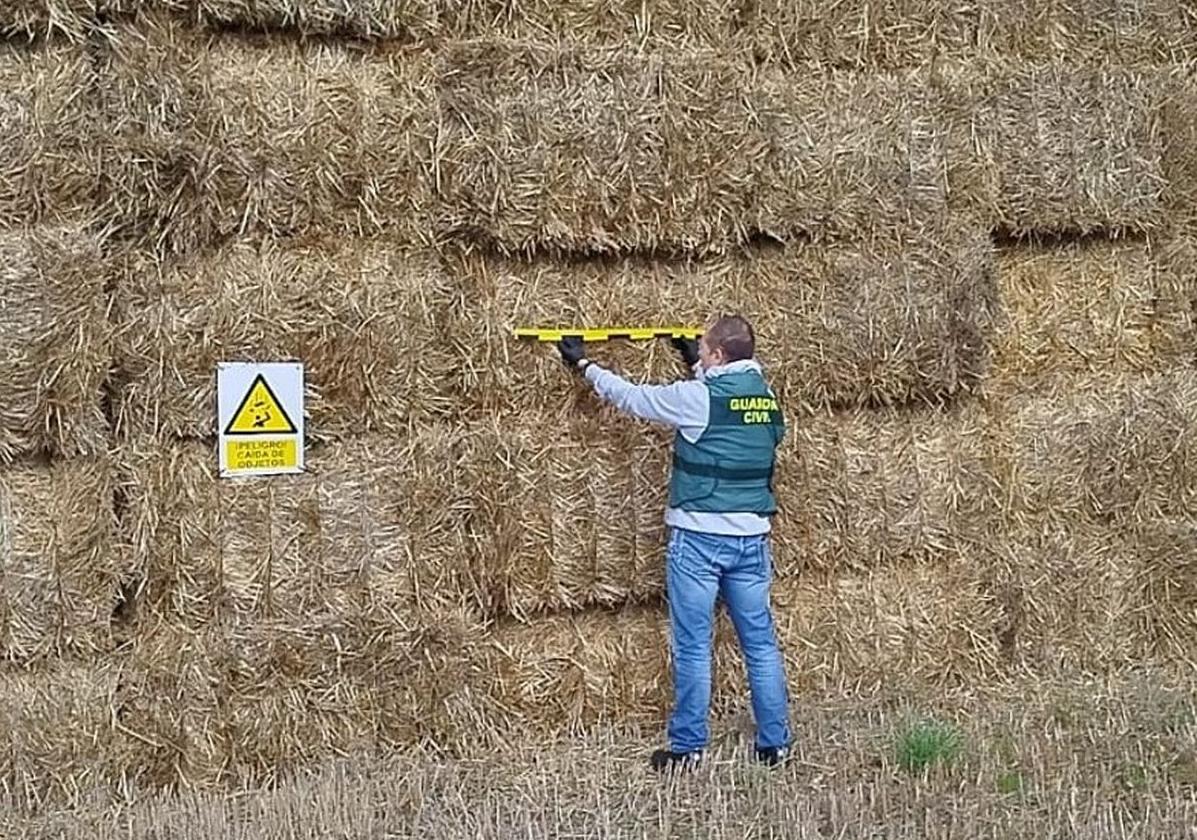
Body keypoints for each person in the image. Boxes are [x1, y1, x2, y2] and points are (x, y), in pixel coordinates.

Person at [556, 315, 791, 772]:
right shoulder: (767, 399)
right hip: (752, 541)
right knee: (760, 644)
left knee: (693, 644)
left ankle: (687, 749)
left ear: (719, 356)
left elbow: (634, 398)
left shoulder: (697, 398)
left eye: (703, 349)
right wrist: (694, 365)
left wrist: (585, 366)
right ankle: (775, 743)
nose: (699, 353)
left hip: (700, 540)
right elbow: (736, 418)